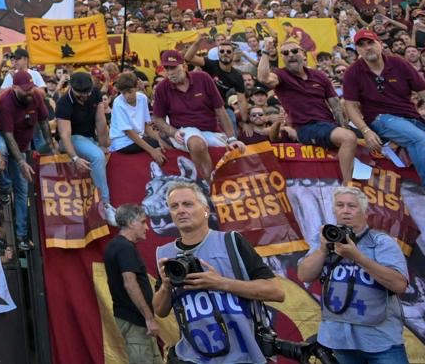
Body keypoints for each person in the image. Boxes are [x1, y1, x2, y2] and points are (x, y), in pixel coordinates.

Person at [152, 180, 283, 364]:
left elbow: (276, 292)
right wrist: (166, 286)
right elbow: (160, 310)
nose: (181, 210)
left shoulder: (231, 242)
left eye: (188, 204)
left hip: (243, 355)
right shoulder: (165, 254)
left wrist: (220, 283)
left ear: (206, 210)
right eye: (174, 206)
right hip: (193, 356)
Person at [341, 30, 425, 216]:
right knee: (418, 139)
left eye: (370, 43)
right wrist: (365, 130)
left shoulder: (399, 63)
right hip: (380, 119)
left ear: (379, 44)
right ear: (357, 50)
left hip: (412, 119)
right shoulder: (353, 72)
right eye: (361, 45)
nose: (367, 48)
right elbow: (350, 106)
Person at [297, 185, 409, 364]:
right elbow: (304, 275)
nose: (345, 211)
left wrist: (357, 256)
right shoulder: (325, 241)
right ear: (334, 211)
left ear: (364, 213)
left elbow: (399, 285)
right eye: (340, 205)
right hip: (339, 339)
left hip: (380, 340)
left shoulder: (381, 243)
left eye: (352, 206)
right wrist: (322, 250)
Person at [256, 36, 358, 183]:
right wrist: (266, 51)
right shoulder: (281, 75)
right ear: (282, 58)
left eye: (294, 51)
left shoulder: (319, 75)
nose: (290, 55)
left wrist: (343, 127)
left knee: (358, 137)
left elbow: (336, 106)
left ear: (303, 54)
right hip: (306, 128)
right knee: (348, 138)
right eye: (285, 53)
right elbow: (263, 78)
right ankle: (349, 186)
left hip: (328, 126)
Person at [151, 52, 240, 185]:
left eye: (173, 67)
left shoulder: (203, 78)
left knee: (236, 150)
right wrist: (173, 132)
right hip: (184, 131)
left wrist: (232, 138)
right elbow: (157, 119)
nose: (170, 72)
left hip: (211, 131)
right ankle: (211, 185)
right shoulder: (161, 88)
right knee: (196, 143)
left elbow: (220, 110)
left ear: (184, 66)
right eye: (167, 68)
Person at [0, 71, 47, 248]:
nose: (29, 92)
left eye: (31, 88)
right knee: (2, 150)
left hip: (22, 140)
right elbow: (8, 135)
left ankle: (21, 237)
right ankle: (5, 186)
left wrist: (51, 144)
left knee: (22, 189)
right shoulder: (4, 102)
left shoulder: (36, 95)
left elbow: (44, 120)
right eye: (25, 90)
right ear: (14, 87)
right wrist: (21, 162)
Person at [104, 204, 161, 364]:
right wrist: (149, 318)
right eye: (143, 222)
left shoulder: (119, 246)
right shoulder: (123, 247)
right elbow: (130, 283)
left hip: (138, 321)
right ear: (130, 223)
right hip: (135, 320)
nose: (147, 227)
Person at [56, 70, 114, 222]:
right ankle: (105, 204)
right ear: (71, 88)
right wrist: (75, 158)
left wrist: (103, 144)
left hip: (90, 138)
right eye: (80, 93)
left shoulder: (95, 93)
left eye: (87, 92)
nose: (85, 96)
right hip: (71, 140)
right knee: (97, 156)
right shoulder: (63, 103)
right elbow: (65, 135)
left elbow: (100, 121)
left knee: (108, 152)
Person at [109, 72, 165, 162]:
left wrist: (160, 140)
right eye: (124, 93)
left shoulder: (142, 98)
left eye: (130, 91)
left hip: (137, 138)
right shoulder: (118, 102)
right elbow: (128, 132)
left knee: (164, 142)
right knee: (155, 144)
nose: (127, 95)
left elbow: (146, 126)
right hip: (121, 142)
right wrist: (152, 151)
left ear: (136, 87)